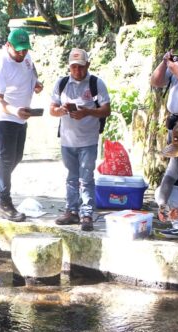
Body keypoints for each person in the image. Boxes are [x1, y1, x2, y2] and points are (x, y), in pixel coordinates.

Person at [0, 29, 44, 222]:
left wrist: (36, 84)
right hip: (3, 116)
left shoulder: (26, 57)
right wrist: (15, 111)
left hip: (21, 115)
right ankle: (4, 204)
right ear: (8, 45)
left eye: (25, 49)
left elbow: (30, 73)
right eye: (18, 50)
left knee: (17, 157)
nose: (22, 53)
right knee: (7, 159)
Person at [50, 48, 111, 232]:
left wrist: (87, 112)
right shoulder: (62, 83)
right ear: (69, 66)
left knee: (86, 178)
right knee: (71, 177)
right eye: (74, 67)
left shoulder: (96, 83)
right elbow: (52, 109)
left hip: (88, 140)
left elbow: (106, 110)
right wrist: (61, 110)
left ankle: (86, 214)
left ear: (88, 65)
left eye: (81, 67)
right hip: (67, 141)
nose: (77, 70)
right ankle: (71, 211)